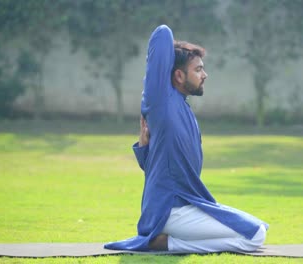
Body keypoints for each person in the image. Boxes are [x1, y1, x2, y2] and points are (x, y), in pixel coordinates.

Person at [104, 25, 268, 253]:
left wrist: (145, 149)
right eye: (198, 69)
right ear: (179, 76)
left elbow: (161, 167)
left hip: (186, 204)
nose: (205, 74)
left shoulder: (182, 107)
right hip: (169, 210)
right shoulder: (161, 101)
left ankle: (167, 242)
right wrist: (179, 47)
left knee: (258, 228)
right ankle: (167, 244)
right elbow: (161, 35)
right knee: (255, 235)